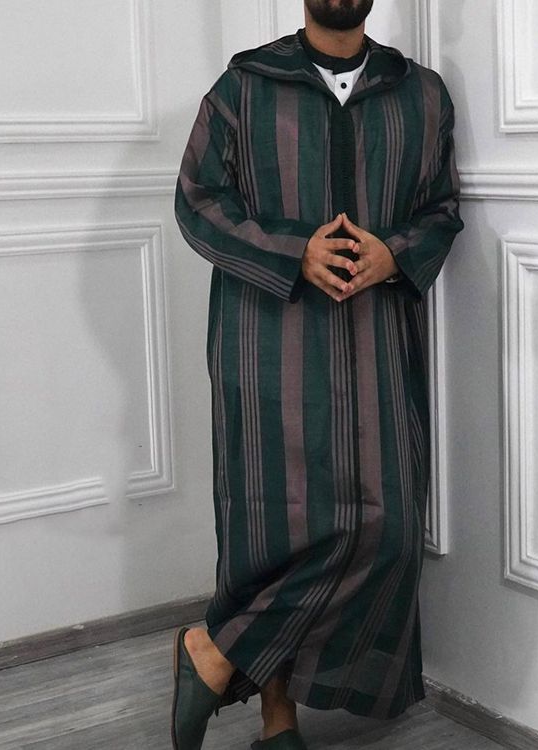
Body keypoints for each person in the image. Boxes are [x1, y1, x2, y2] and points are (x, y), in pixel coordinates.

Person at [171, 1, 464, 748]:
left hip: (377, 342)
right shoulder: (245, 87)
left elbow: (441, 209)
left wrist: (395, 254)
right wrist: (292, 250)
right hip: (268, 343)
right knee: (276, 532)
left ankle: (212, 650)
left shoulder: (420, 94)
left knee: (388, 526)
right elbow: (197, 199)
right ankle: (279, 724)